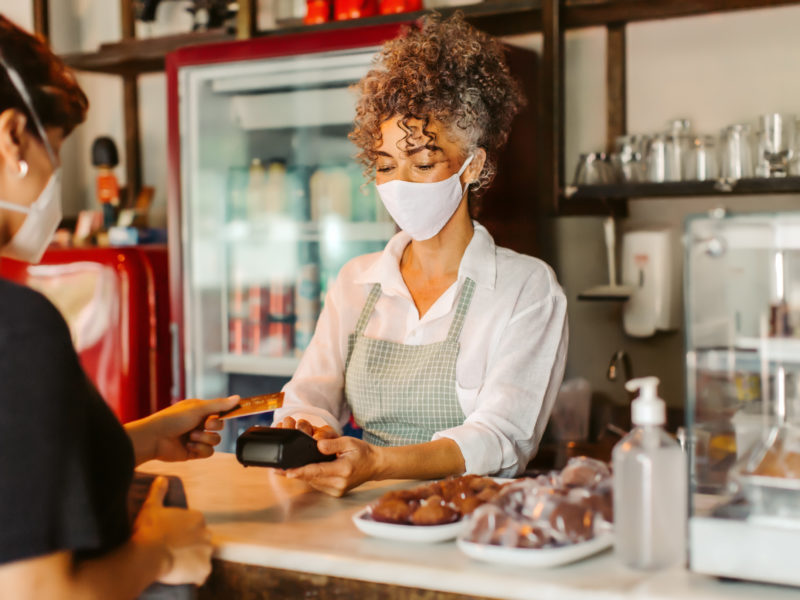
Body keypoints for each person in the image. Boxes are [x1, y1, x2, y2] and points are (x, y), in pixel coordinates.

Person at [274, 12, 568, 497]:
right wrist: (306, 431)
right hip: (361, 517)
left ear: (472, 166)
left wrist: (380, 464)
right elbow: (309, 395)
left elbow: (503, 437)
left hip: (470, 520)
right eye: (386, 166)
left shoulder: (525, 289)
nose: (399, 186)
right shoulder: (357, 282)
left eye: (424, 163)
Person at [0, 16, 240, 598]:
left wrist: (140, 438)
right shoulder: (18, 327)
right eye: (56, 145)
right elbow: (36, 592)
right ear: (13, 139)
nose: (59, 171)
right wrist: (161, 552)